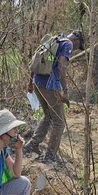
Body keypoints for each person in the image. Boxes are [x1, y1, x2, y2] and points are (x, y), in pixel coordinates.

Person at [27, 30, 84, 162]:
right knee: (59, 121)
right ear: (76, 39)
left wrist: (30, 82)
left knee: (48, 116)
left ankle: (32, 144)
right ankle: (50, 155)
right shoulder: (68, 44)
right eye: (78, 46)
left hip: (37, 83)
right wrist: (65, 91)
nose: (75, 49)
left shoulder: (53, 39)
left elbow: (35, 62)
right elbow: (61, 68)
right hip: (50, 86)